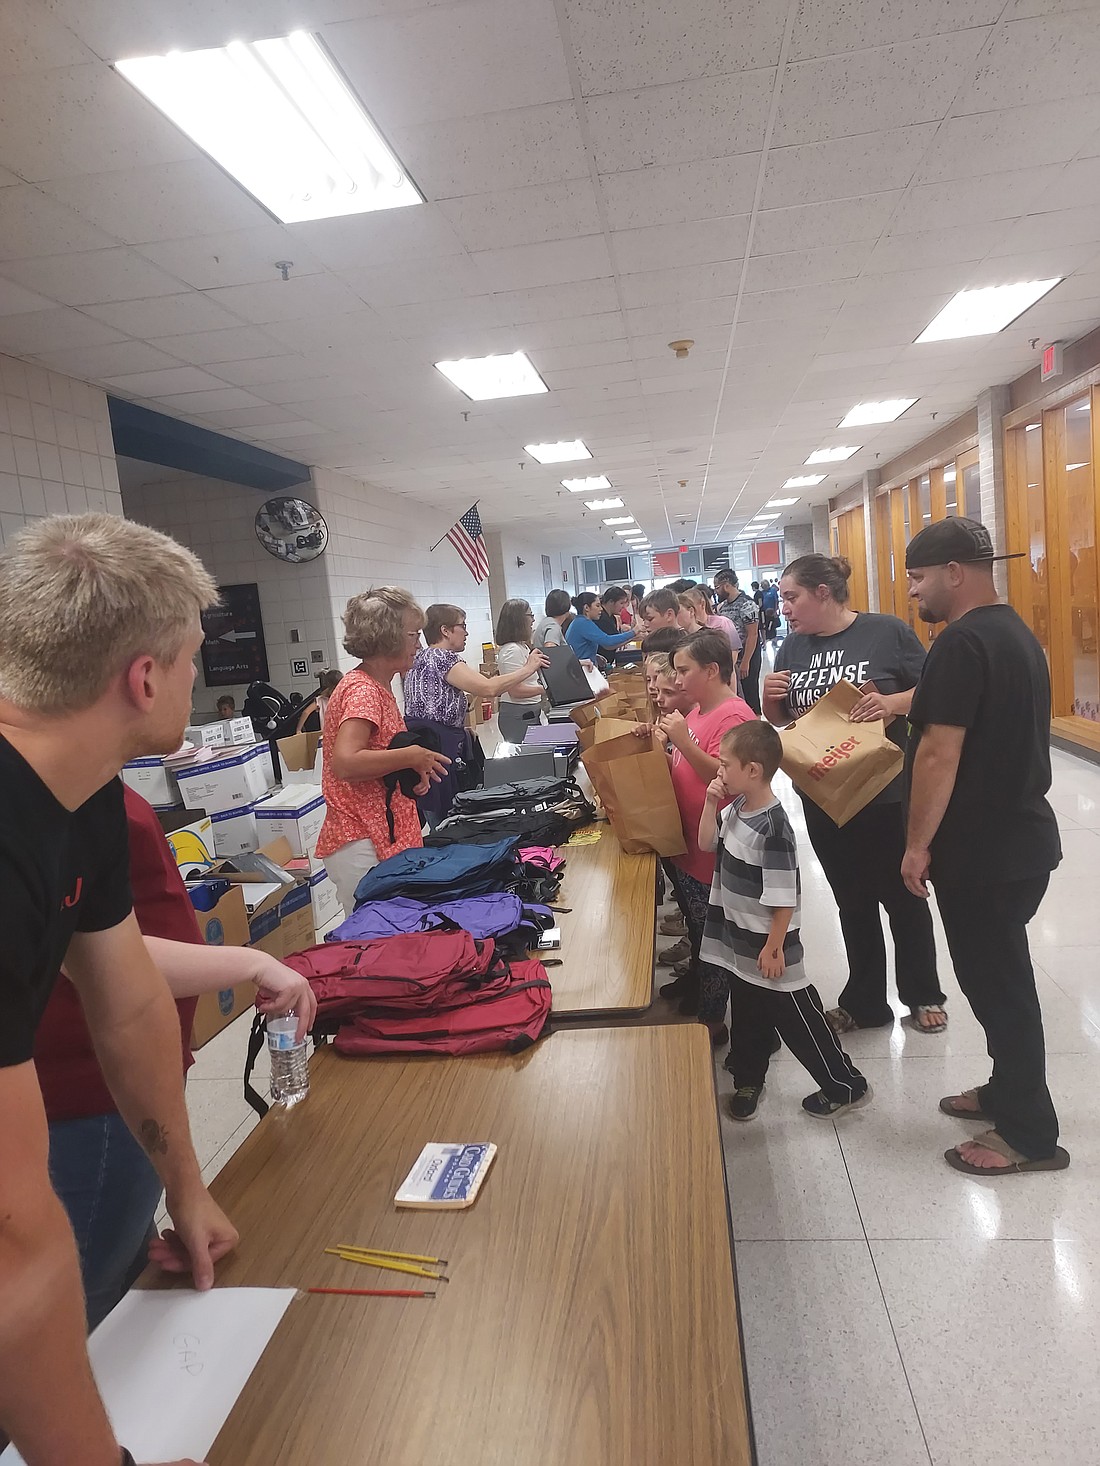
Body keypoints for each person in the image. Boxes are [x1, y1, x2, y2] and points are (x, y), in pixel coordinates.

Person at [0, 512, 239, 1466]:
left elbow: (129, 999)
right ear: (145, 677)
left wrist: (186, 1185)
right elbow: (16, 1236)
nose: (191, 679)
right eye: (189, 661)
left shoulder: (81, 789)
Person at [38, 785, 316, 1330]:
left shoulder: (89, 781)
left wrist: (183, 1186)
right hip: (93, 1094)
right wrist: (250, 963)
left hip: (129, 1082)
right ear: (137, 690)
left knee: (123, 1275)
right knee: (83, 1303)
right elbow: (97, 957)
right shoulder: (53, 790)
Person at [903, 518, 1068, 1176]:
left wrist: (916, 847)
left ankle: (1029, 1135)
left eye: (918, 578)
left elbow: (940, 753)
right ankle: (1006, 1092)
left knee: (1002, 990)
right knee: (993, 980)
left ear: (954, 571)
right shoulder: (1010, 632)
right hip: (1015, 842)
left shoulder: (961, 641)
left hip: (987, 852)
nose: (914, 592)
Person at [764, 554, 947, 1034]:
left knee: (903, 896)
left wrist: (891, 702)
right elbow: (790, 726)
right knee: (852, 901)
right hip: (825, 798)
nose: (784, 607)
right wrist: (769, 704)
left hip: (885, 793)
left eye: (791, 596)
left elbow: (935, 689)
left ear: (823, 593)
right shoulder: (792, 649)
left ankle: (923, 993)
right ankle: (865, 1002)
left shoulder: (886, 633)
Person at [699, 721, 871, 1122]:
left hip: (769, 947)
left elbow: (784, 898)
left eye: (725, 765)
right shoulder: (737, 808)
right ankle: (748, 1076)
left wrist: (774, 946)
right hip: (741, 942)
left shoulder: (774, 828)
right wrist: (710, 803)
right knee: (748, 1010)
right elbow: (707, 843)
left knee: (800, 1019)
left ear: (753, 770)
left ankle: (845, 1085)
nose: (719, 772)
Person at [316, 587, 451, 914]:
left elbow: (376, 758)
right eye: (412, 634)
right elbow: (346, 763)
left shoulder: (377, 685)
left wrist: (409, 775)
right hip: (362, 840)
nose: (418, 643)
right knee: (376, 940)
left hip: (378, 835)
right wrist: (410, 756)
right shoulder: (363, 691)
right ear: (389, 637)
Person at [654, 629, 755, 1037]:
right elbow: (685, 767)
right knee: (700, 936)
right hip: (691, 849)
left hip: (714, 855)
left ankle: (713, 1020)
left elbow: (728, 779)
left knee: (716, 944)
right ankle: (700, 993)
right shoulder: (696, 712)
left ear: (712, 670)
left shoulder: (733, 716)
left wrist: (680, 740)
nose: (676, 681)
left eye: (684, 671)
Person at [404, 604, 547, 725]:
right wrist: (528, 668)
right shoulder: (442, 658)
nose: (466, 633)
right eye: (462, 626)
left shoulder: (422, 656)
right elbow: (489, 688)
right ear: (445, 630)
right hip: (438, 740)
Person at [494, 598, 547, 743]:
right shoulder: (512, 650)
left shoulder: (522, 647)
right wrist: (547, 690)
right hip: (518, 714)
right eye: (530, 616)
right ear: (519, 620)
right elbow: (516, 691)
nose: (533, 620)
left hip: (528, 711)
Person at [714, 569, 761, 715]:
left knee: (750, 693)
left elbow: (752, 634)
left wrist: (746, 662)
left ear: (726, 585)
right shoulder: (723, 606)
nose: (716, 591)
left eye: (717, 587)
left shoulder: (747, 604)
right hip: (732, 659)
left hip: (747, 657)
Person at [564, 592, 637, 664]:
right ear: (586, 608)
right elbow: (608, 641)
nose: (601, 609)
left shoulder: (578, 622)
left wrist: (594, 656)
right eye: (597, 605)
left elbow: (580, 648)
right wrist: (633, 632)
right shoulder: (583, 623)